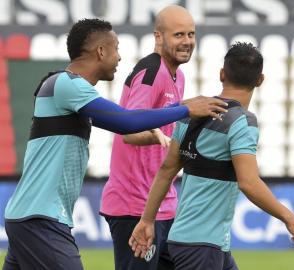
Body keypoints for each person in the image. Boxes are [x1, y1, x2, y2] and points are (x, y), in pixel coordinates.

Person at [2, 18, 227, 270]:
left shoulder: (71, 91)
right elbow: (125, 122)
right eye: (116, 48)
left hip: (29, 216)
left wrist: (174, 113)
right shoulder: (66, 85)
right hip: (40, 219)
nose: (119, 57)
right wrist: (185, 108)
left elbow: (127, 120)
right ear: (101, 51)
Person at [128, 42, 294, 270]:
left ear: (222, 74)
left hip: (194, 240)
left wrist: (147, 220)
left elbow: (166, 170)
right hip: (201, 247)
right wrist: (289, 218)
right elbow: (249, 182)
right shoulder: (243, 122)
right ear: (260, 80)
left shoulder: (190, 112)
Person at [99, 5, 196, 270]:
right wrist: (158, 137)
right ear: (158, 37)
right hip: (135, 207)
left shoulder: (179, 76)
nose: (187, 41)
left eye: (191, 34)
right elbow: (129, 130)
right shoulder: (151, 71)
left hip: (161, 205)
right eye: (178, 35)